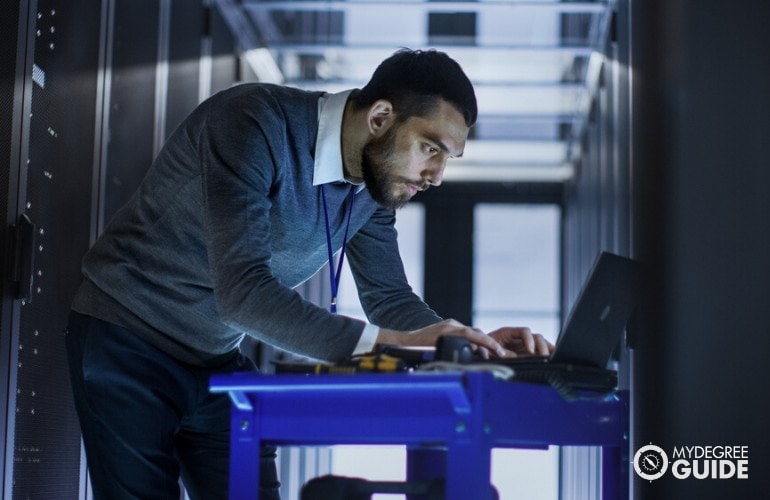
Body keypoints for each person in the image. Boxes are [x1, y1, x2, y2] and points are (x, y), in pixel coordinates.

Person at [64, 48, 553, 499]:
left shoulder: (374, 187)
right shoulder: (251, 122)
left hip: (213, 358)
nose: (437, 175)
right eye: (430, 148)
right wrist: (393, 343)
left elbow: (389, 299)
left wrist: (467, 345)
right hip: (126, 340)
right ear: (381, 117)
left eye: (448, 157)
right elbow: (245, 295)